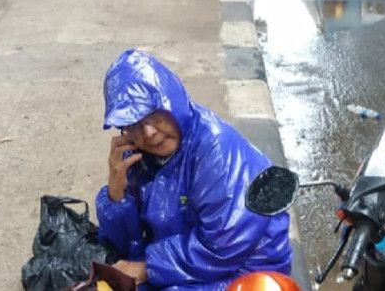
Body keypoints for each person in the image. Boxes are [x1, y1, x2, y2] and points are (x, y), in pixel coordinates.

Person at [96, 49, 292, 289]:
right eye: (133, 125)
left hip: (243, 269)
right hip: (184, 261)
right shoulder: (136, 156)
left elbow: (224, 246)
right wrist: (116, 195)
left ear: (172, 102)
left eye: (153, 115)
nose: (148, 133)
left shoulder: (216, 150)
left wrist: (147, 268)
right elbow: (124, 245)